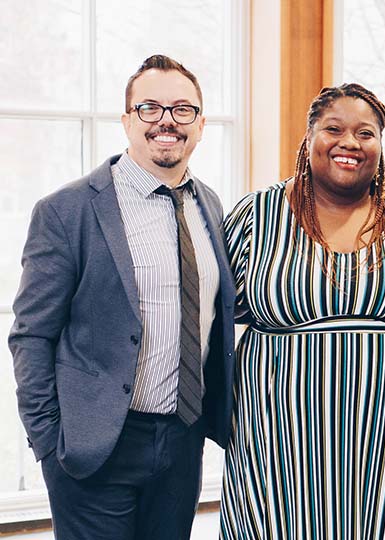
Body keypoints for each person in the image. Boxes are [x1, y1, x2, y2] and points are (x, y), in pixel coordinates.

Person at [8, 54, 236, 540]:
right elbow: (31, 336)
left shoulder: (210, 205)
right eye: (150, 108)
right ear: (128, 119)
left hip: (182, 443)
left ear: (200, 124)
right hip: (96, 448)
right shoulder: (67, 211)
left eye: (182, 109)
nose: (166, 122)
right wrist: (50, 444)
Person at [219, 83, 385, 539]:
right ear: (308, 139)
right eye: (334, 129)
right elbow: (211, 320)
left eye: (366, 133)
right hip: (275, 443)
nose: (350, 142)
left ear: (380, 147)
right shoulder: (256, 215)